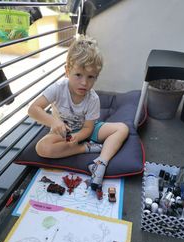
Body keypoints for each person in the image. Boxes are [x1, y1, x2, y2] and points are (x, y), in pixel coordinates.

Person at [28, 35, 129, 191]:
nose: (84, 83)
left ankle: (100, 163)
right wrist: (54, 122)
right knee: (42, 148)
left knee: (122, 128)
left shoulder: (93, 98)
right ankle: (86, 148)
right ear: (67, 71)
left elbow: (89, 128)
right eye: (78, 75)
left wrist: (79, 137)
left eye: (91, 77)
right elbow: (33, 109)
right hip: (62, 133)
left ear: (96, 77)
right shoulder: (57, 88)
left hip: (86, 131)